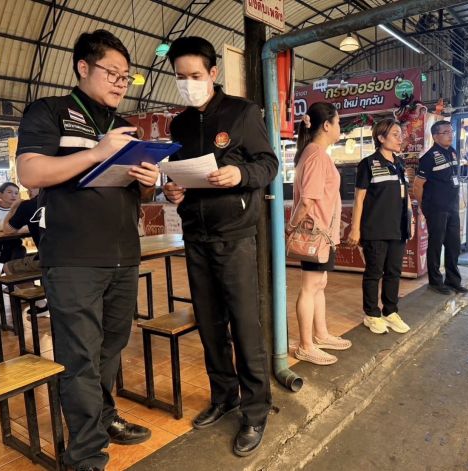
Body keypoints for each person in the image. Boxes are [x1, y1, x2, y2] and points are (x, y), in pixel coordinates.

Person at [16, 30, 159, 471]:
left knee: (110, 348)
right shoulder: (50, 111)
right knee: (79, 357)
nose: (120, 83)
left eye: (126, 76)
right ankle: (85, 456)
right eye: (112, 73)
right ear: (83, 67)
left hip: (123, 254)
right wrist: (97, 152)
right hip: (73, 258)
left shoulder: (123, 126)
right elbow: (30, 172)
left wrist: (149, 183)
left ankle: (104, 415)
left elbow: (133, 193)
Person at [162, 36, 277, 457]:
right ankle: (223, 396)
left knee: (244, 325)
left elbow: (268, 164)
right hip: (196, 234)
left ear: (213, 72)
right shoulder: (179, 125)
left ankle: (256, 410)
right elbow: (178, 175)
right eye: (180, 77)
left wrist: (240, 175)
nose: (188, 84)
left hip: (235, 235)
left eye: (195, 75)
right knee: (210, 325)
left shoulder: (242, 113)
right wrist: (173, 191)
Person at [286, 102, 351, 366]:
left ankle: (321, 335)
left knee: (319, 284)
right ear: (326, 125)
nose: (339, 127)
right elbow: (307, 200)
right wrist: (291, 227)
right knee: (310, 286)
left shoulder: (316, 153)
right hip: (315, 234)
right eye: (338, 122)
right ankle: (305, 346)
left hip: (323, 234)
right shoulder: (315, 155)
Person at [348, 118, 412, 335]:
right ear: (381, 138)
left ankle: (390, 311)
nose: (400, 138)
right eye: (395, 134)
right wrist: (355, 228)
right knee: (374, 272)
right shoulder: (368, 164)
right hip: (375, 228)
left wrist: (410, 219)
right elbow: (359, 199)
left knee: (394, 272)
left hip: (398, 228)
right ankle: (372, 314)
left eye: (400, 134)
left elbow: (405, 195)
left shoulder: (400, 163)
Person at [412, 120, 468, 295]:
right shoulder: (428, 158)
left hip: (452, 207)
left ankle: (453, 281)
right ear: (435, 136)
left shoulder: (452, 152)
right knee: (436, 245)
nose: (450, 135)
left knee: (453, 245)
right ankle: (435, 282)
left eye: (451, 132)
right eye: (446, 132)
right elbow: (417, 186)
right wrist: (424, 207)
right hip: (436, 208)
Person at [2, 187, 48, 315]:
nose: (28, 191)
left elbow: (7, 230)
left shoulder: (27, 205)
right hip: (80, 256)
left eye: (29, 188)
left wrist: (13, 209)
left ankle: (41, 305)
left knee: (7, 267)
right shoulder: (65, 199)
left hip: (48, 258)